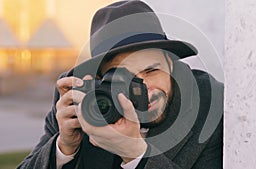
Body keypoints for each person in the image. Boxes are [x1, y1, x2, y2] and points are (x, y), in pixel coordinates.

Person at [18, 1, 223, 169]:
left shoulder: (209, 105)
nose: (143, 88)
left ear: (171, 63)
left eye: (151, 70)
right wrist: (64, 148)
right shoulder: (79, 99)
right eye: (122, 77)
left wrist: (135, 154)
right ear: (98, 78)